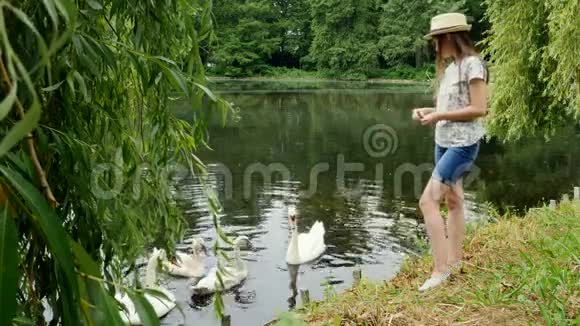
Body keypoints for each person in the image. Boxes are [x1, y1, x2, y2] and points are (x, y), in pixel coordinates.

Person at [412, 13, 488, 291]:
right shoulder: (451, 68)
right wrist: (429, 111)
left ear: (448, 38)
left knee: (427, 202)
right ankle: (454, 261)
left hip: (462, 145)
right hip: (443, 142)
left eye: (436, 40)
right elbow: (455, 106)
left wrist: (439, 114)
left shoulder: (473, 65)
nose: (434, 47)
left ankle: (440, 270)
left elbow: (480, 108)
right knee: (454, 202)